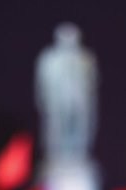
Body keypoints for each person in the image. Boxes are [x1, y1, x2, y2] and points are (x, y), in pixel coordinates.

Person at [35, 22, 98, 160]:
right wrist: (42, 99)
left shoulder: (85, 58)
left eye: (72, 39)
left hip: (78, 100)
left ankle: (77, 155)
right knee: (57, 128)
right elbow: (42, 82)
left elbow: (92, 83)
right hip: (57, 101)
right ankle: (56, 155)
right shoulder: (50, 58)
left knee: (79, 128)